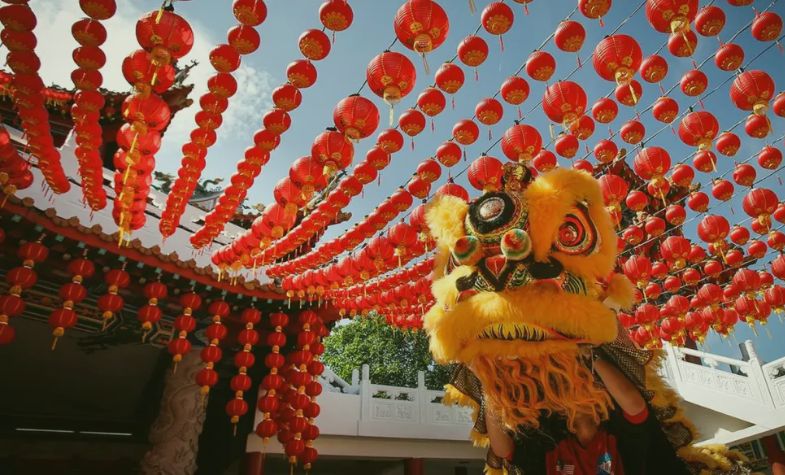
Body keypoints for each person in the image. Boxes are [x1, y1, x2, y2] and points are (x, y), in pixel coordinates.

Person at [480, 351, 692, 474]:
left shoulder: (549, 447)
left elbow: (503, 450)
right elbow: (636, 408)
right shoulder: (616, 439)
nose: (573, 393)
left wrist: (487, 383)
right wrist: (592, 354)